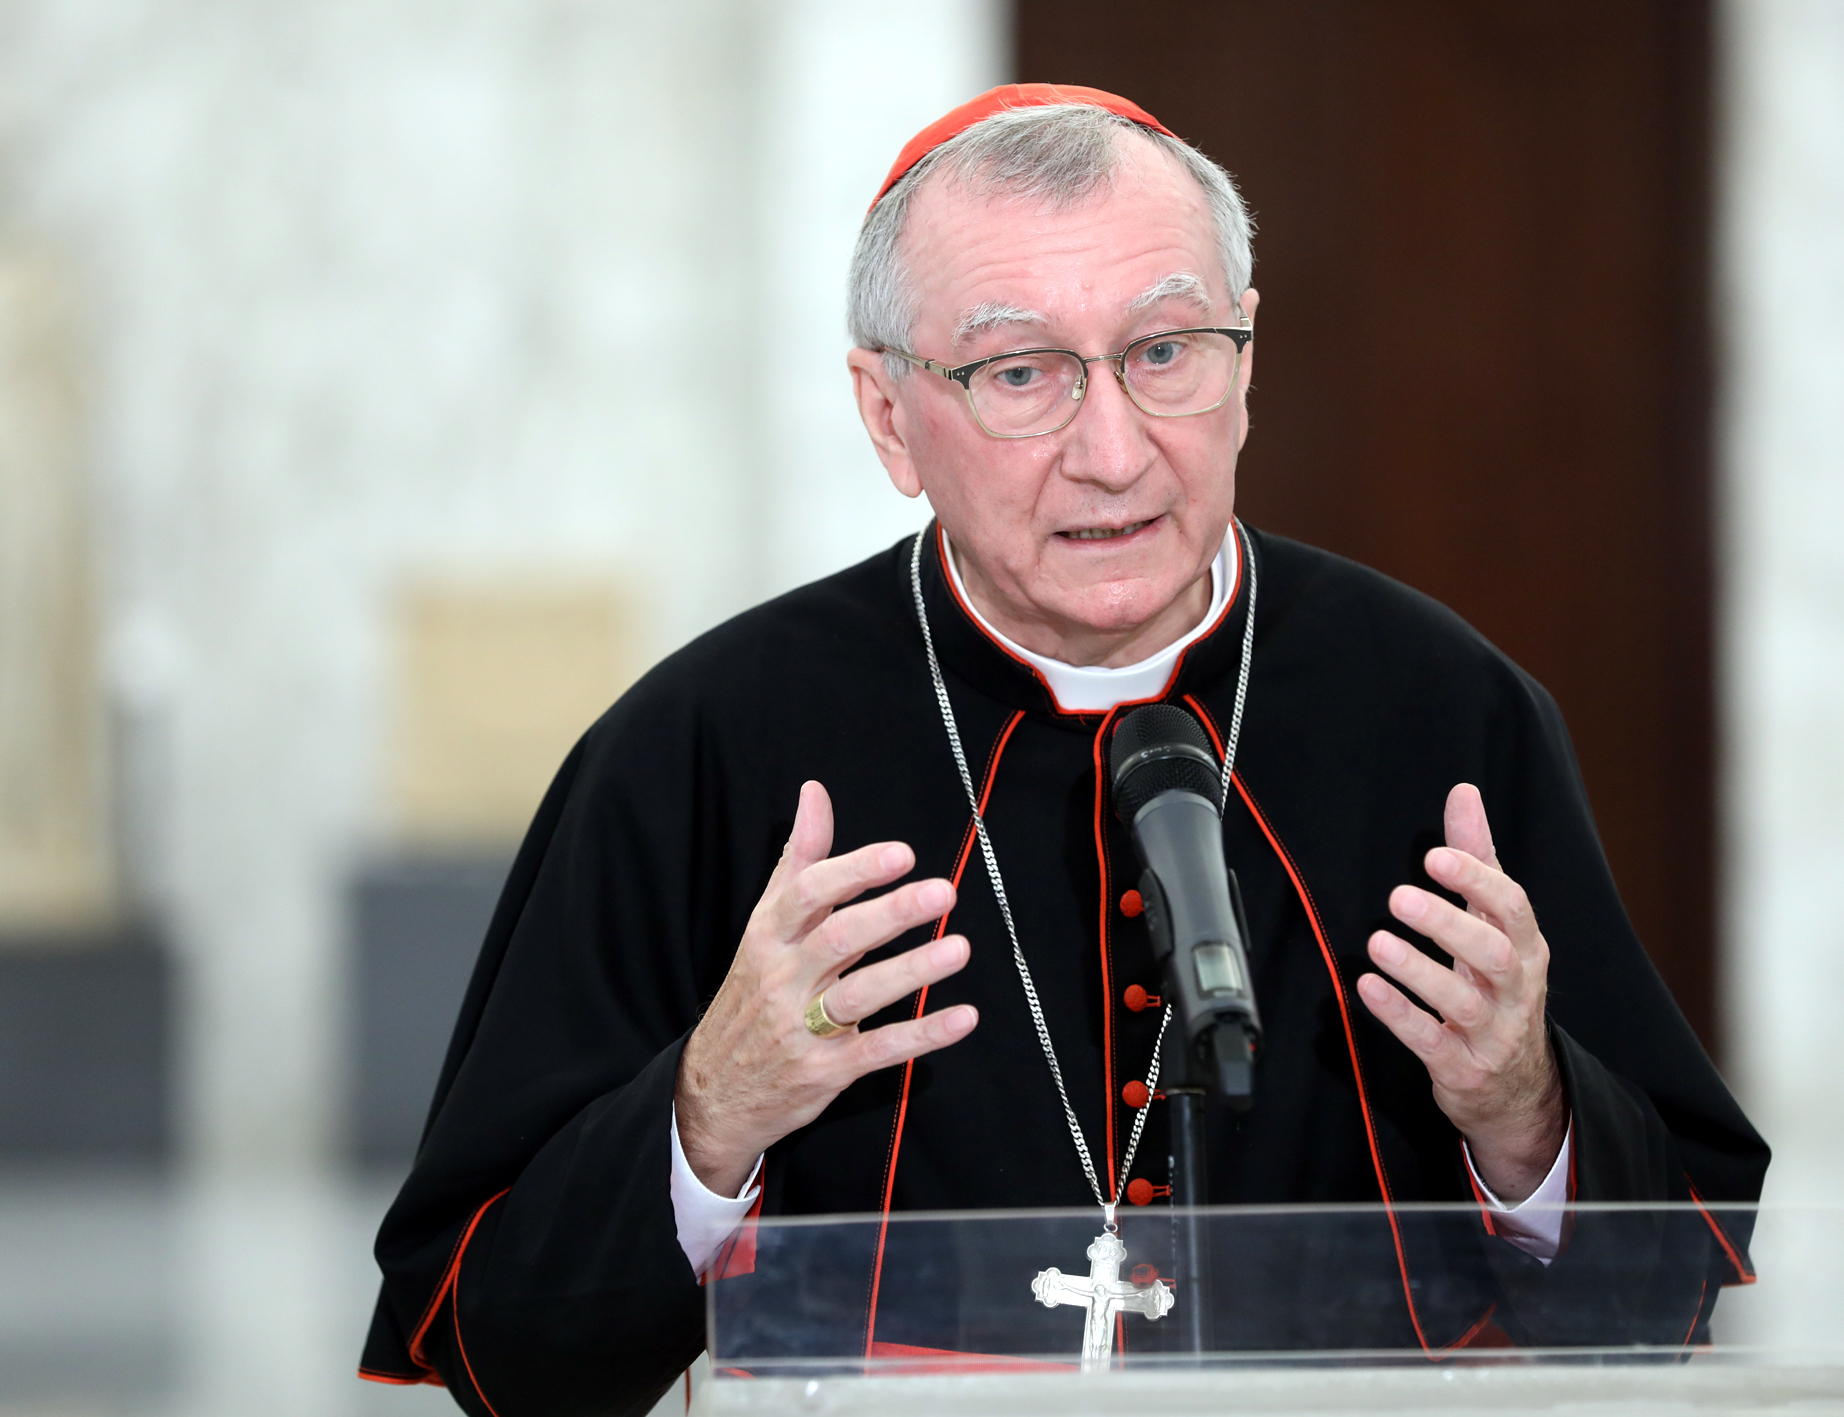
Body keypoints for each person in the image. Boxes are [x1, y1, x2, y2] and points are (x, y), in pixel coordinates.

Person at [362, 85, 1767, 1414]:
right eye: (1021, 372)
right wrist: (711, 1112)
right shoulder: (706, 749)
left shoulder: (1444, 714)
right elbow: (494, 1343)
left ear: (1247, 365)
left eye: (1164, 352)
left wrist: (1525, 1114)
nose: (1112, 449)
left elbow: (1672, 1287)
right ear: (890, 417)